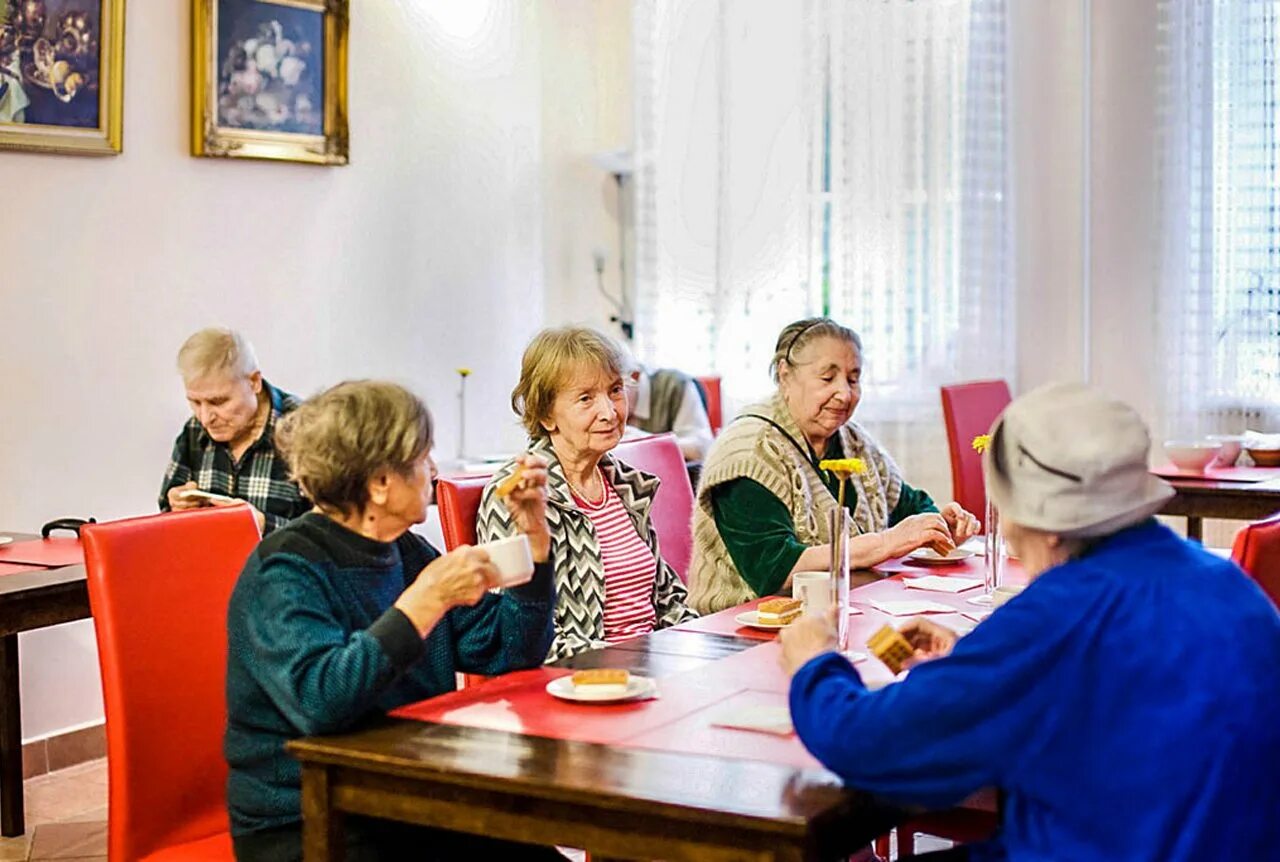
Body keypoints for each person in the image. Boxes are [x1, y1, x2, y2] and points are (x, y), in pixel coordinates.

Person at [780, 383, 1280, 861]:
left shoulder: (1057, 614)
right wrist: (976, 661)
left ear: (1051, 527)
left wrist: (815, 664)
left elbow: (870, 744)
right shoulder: (1224, 581)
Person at [225, 380, 561, 861]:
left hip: (409, 792)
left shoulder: (401, 549)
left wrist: (534, 546)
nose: (434, 469)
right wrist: (424, 601)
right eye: (424, 457)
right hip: (310, 819)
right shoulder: (285, 571)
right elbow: (321, 701)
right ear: (382, 484)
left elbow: (509, 651)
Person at [689, 317, 979, 614]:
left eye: (853, 379)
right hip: (740, 629)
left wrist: (937, 526)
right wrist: (886, 543)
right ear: (785, 375)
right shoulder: (747, 452)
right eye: (828, 378)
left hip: (837, 615)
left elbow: (909, 506)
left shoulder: (851, 440)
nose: (845, 394)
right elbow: (775, 571)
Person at [477, 326, 696, 662]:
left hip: (652, 668)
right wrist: (630, 663)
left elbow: (669, 601)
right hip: (581, 681)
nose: (609, 412)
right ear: (547, 414)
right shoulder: (519, 494)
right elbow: (521, 636)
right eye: (586, 398)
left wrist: (702, 649)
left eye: (615, 390)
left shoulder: (625, 485)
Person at [159, 328, 309, 534]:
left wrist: (263, 526)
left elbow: (335, 539)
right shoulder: (194, 430)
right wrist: (176, 507)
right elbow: (164, 521)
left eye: (218, 401)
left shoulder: (308, 431)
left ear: (254, 382)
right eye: (195, 402)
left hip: (281, 565)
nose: (205, 418)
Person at [621, 354, 715, 462]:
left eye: (615, 390)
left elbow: (704, 448)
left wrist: (648, 442)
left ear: (634, 377)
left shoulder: (674, 385)